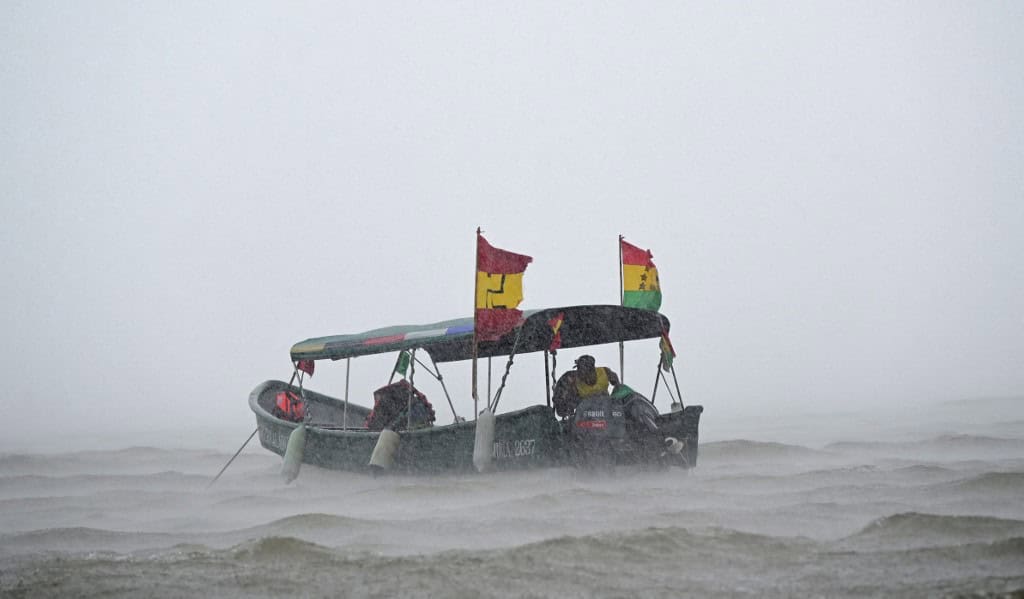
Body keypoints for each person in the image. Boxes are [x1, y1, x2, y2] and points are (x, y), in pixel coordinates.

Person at [552, 354, 620, 418]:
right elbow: (560, 407)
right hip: (585, 418)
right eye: (579, 371)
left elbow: (619, 388)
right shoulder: (571, 379)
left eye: (584, 373)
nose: (581, 376)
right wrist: (565, 403)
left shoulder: (605, 372)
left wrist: (616, 400)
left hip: (606, 414)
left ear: (593, 370)